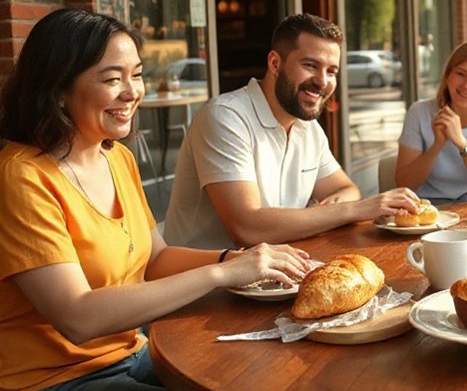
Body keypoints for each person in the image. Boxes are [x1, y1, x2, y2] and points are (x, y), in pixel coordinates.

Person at [0, 8, 312, 391]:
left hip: (132, 351)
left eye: (137, 75)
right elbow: (76, 316)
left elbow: (156, 258)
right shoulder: (21, 176)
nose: (132, 92)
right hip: (52, 380)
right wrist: (221, 275)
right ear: (59, 90)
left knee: (267, 374)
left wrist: (233, 260)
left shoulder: (115, 157)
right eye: (113, 79)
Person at [163, 14, 418, 249]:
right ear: (275, 63)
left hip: (277, 276)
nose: (323, 81)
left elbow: (346, 189)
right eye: (310, 65)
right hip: (206, 287)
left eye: (332, 71)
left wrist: (338, 209)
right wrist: (351, 211)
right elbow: (247, 227)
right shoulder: (225, 117)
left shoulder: (308, 129)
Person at [394, 39, 467, 203]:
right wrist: (437, 145)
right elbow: (404, 183)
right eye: (460, 74)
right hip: (426, 209)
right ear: (448, 75)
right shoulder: (419, 112)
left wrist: (462, 144)